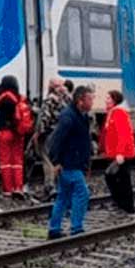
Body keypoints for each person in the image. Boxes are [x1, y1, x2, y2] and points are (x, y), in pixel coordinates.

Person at [47, 86, 95, 239]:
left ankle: (54, 229)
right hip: (69, 163)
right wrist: (56, 161)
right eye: (90, 98)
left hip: (73, 162)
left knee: (63, 196)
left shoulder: (80, 115)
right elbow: (56, 140)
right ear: (80, 101)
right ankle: (76, 228)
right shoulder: (69, 117)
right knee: (82, 193)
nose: (92, 101)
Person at [0, 75, 29, 197]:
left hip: (5, 133)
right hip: (18, 134)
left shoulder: (5, 97)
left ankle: (8, 189)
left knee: (5, 162)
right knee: (17, 162)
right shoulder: (20, 98)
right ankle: (18, 187)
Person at [100, 90, 135, 214]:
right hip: (115, 153)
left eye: (108, 98)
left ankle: (127, 206)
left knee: (120, 179)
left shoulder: (119, 113)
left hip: (122, 154)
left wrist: (120, 153)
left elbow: (124, 134)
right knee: (116, 178)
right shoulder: (111, 113)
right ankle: (122, 204)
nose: (106, 100)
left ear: (115, 100)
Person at [34, 78, 71, 199]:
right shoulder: (67, 99)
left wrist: (39, 133)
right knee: (60, 160)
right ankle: (63, 186)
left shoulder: (50, 99)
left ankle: (50, 187)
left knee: (47, 159)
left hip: (51, 133)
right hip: (64, 133)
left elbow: (45, 117)